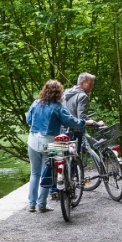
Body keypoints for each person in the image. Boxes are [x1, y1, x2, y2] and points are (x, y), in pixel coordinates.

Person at [26, 80, 85, 213]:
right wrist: (83, 122)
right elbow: (71, 121)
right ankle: (41, 205)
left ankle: (31, 204)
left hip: (33, 141)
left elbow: (28, 120)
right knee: (48, 173)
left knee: (34, 173)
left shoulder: (35, 103)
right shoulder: (57, 107)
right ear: (59, 92)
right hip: (50, 143)